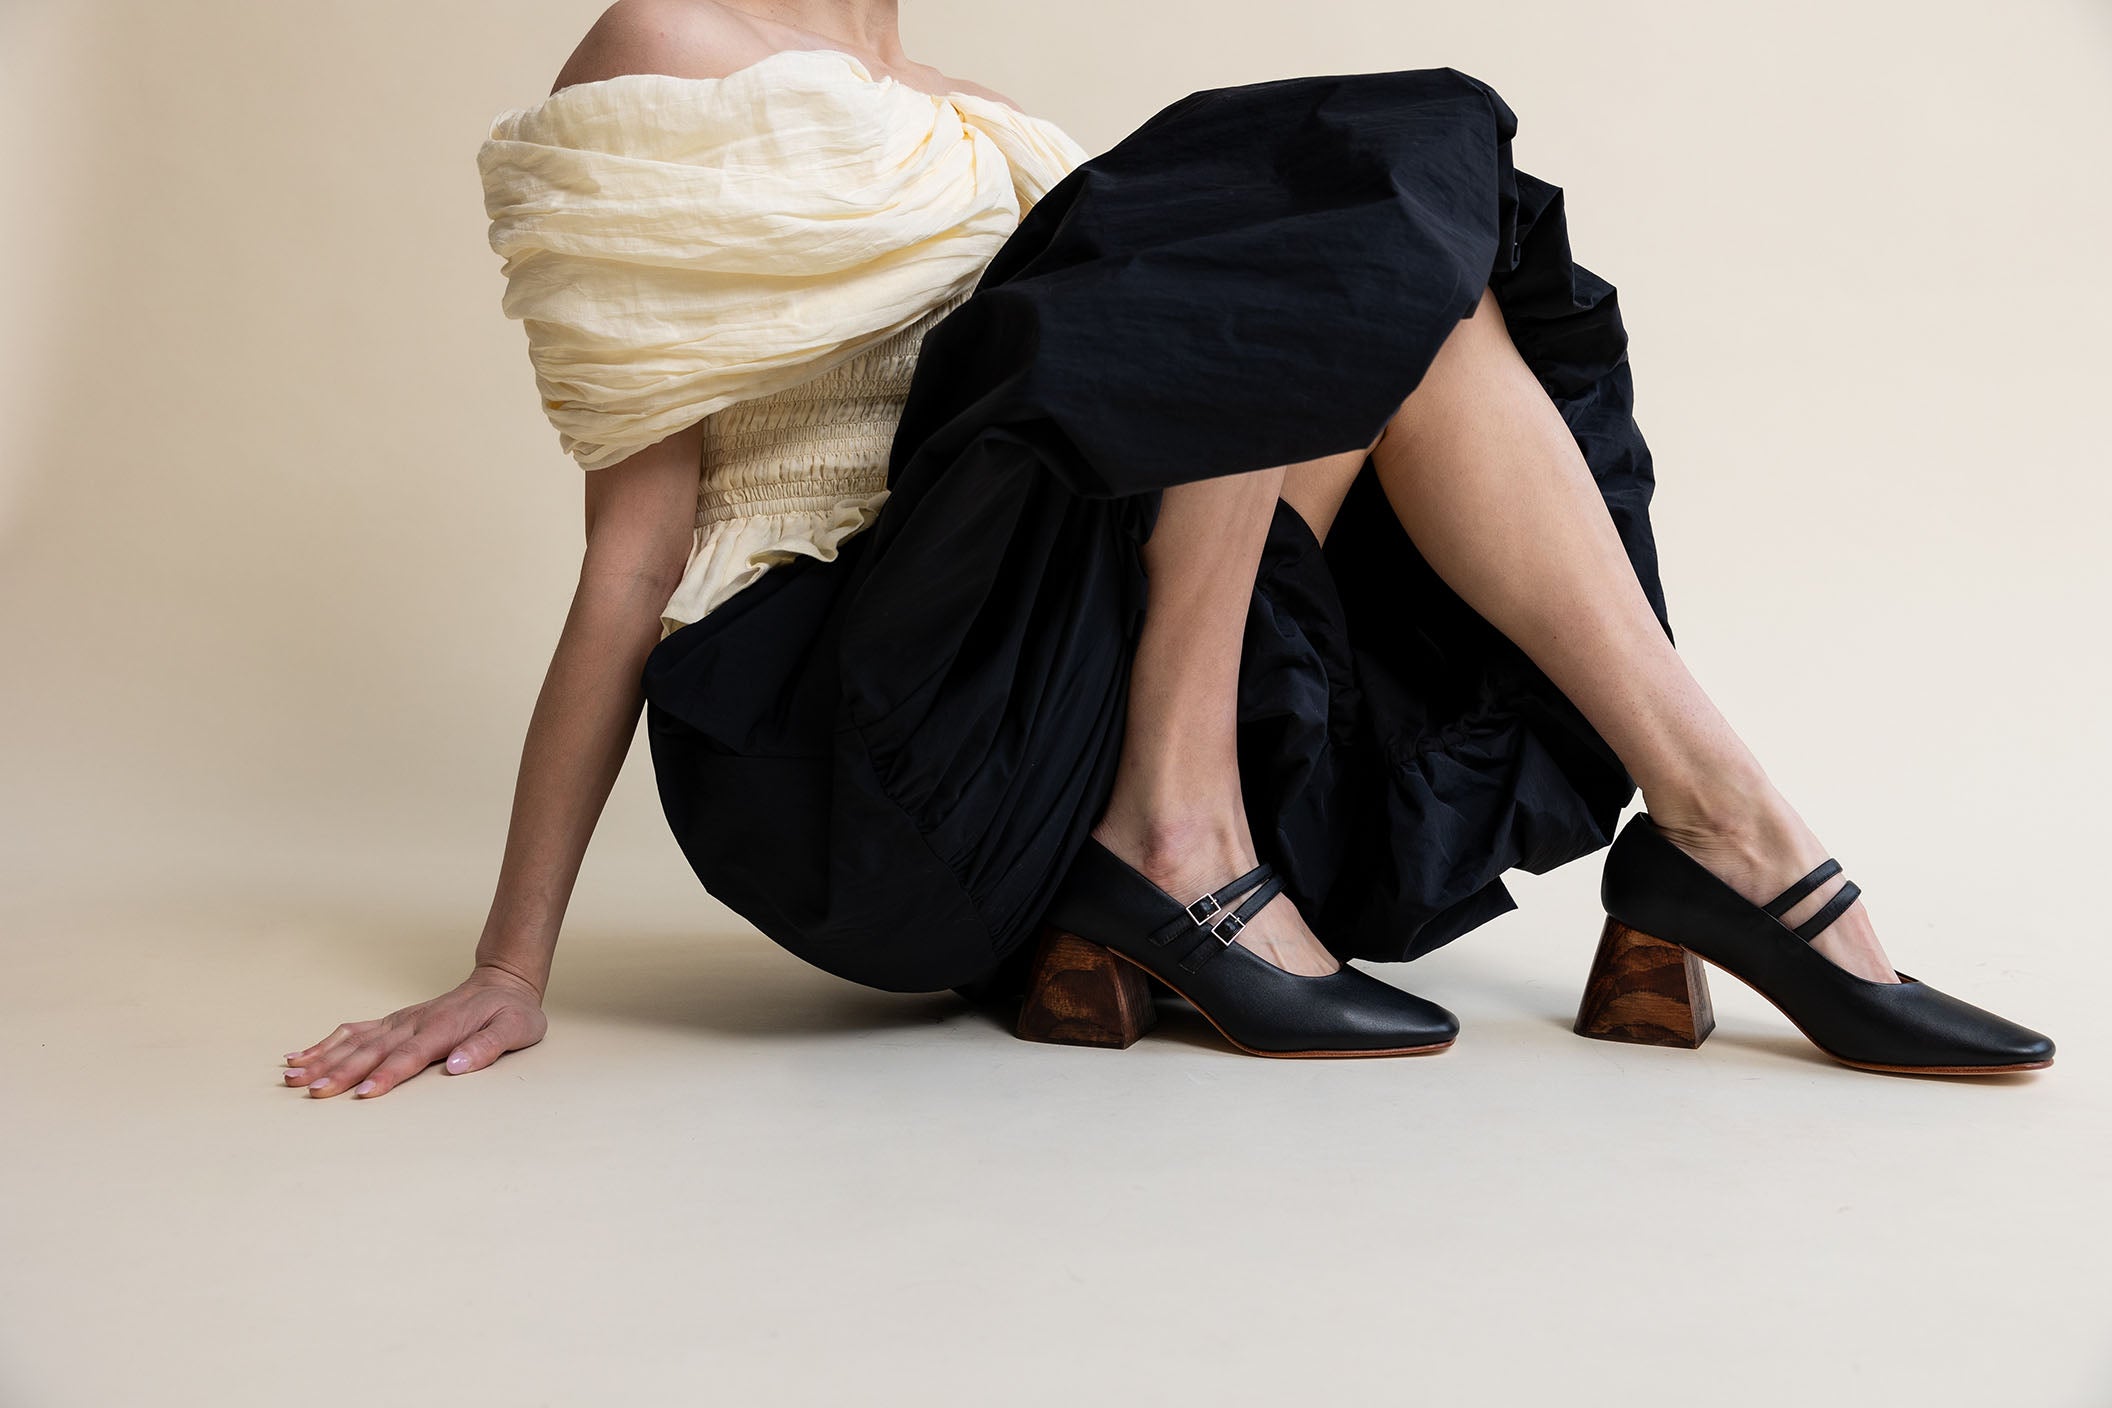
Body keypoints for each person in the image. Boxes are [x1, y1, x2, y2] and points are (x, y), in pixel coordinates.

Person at [281, 0, 2052, 1096]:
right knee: (1290, 221)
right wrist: (513, 966)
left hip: (1069, 691)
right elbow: (637, 556)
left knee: (1373, 254)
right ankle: (1212, 834)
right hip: (866, 741)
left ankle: (1713, 826)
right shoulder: (665, 45)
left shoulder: (966, 95)